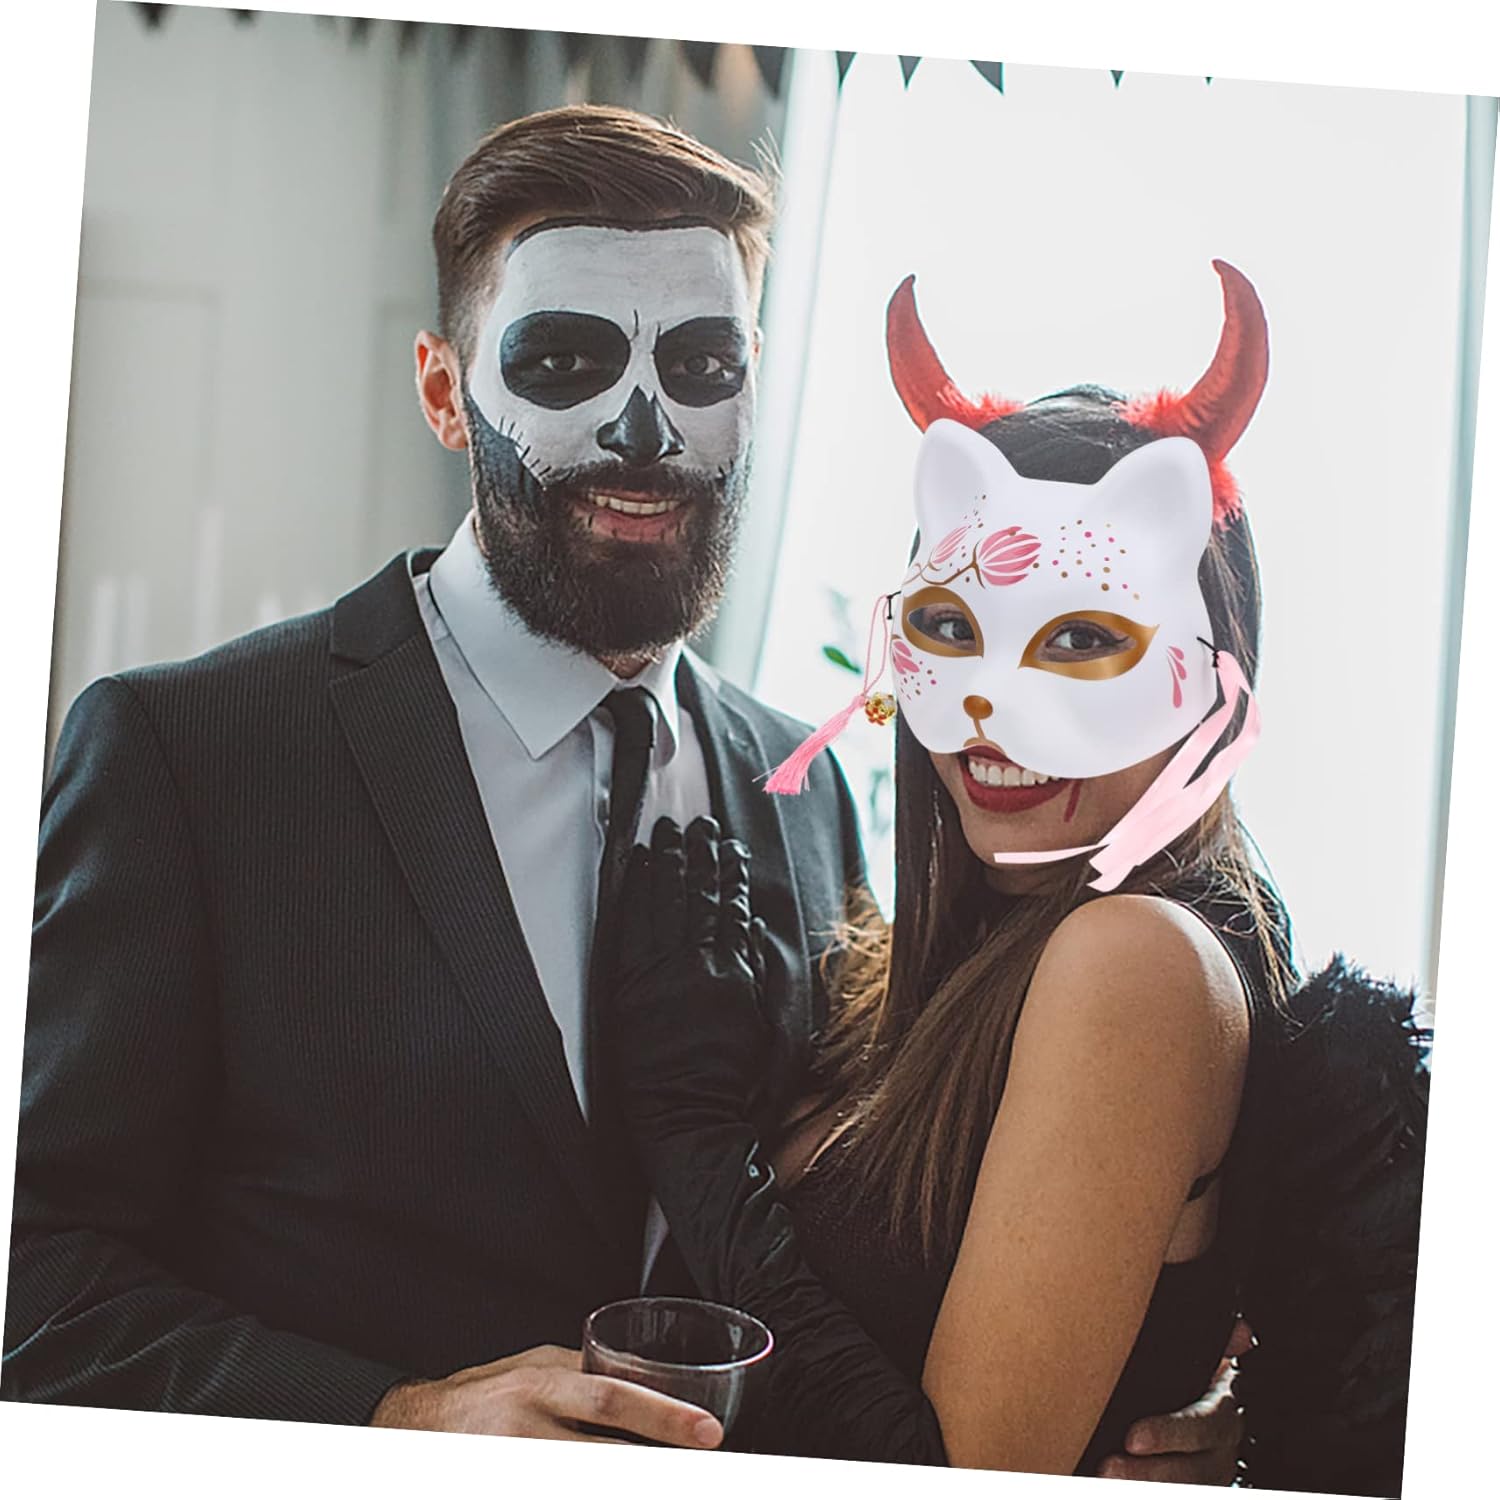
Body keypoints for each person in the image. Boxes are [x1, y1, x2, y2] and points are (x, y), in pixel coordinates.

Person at [4, 104, 1239, 1477]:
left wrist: (1213, 1368)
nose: (644, 429)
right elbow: (32, 1276)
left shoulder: (805, 791)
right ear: (443, 392)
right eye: (565, 359)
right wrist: (393, 1418)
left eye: (704, 364)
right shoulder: (190, 755)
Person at [604, 261, 1295, 1475]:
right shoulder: (972, 941)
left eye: (1084, 640)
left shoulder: (1134, 958)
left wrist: (693, 1136)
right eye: (952, 631)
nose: (995, 709)